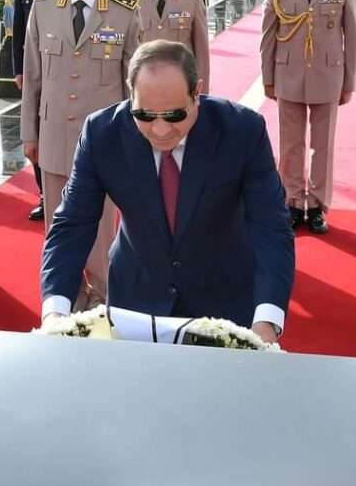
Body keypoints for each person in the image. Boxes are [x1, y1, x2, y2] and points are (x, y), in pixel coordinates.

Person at [41, 40, 294, 341]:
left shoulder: (242, 130)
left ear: (197, 93)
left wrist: (266, 319)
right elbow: (72, 225)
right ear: (130, 94)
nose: (161, 131)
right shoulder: (101, 134)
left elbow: (270, 226)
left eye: (175, 116)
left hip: (225, 303)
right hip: (135, 303)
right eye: (145, 116)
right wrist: (54, 312)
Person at [21, 0, 140, 310]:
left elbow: (132, 86)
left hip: (102, 143)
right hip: (54, 135)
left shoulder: (124, 12)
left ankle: (105, 298)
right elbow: (33, 77)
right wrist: (29, 134)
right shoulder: (43, 6)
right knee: (58, 226)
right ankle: (64, 298)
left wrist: (133, 141)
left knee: (103, 230)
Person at [260, 0, 356, 235]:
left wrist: (349, 81)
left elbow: (353, 36)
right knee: (290, 144)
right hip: (288, 74)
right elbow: (267, 35)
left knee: (323, 144)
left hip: (327, 75)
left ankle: (317, 205)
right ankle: (291, 201)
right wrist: (268, 78)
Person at [13, 0, 71, 221]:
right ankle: (44, 194)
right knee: (36, 131)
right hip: (36, 71)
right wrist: (18, 70)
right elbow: (18, 27)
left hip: (65, 67)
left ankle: (69, 192)